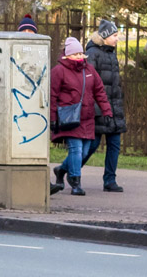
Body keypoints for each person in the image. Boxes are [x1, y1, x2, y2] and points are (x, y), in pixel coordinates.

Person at [50, 36, 112, 196]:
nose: (78, 56)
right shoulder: (59, 71)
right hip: (69, 118)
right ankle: (75, 182)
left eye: (80, 53)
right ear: (67, 55)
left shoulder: (89, 70)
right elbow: (52, 95)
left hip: (87, 118)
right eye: (75, 54)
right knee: (76, 150)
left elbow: (99, 91)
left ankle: (61, 169)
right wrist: (52, 118)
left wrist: (107, 111)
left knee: (85, 152)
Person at [81, 19, 125, 192]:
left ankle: (110, 180)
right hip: (99, 109)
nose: (117, 39)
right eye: (114, 35)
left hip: (113, 108)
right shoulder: (92, 54)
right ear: (105, 36)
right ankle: (69, 170)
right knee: (91, 145)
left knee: (114, 144)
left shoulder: (111, 53)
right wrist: (97, 109)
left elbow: (113, 84)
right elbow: (90, 83)